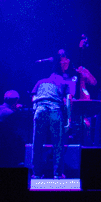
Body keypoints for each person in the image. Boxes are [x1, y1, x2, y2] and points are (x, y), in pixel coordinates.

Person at [30, 50, 75, 178]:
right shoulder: (66, 82)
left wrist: (36, 110)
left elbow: (33, 98)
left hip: (40, 109)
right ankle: (58, 174)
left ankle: (37, 174)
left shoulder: (41, 82)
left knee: (37, 143)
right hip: (55, 109)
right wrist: (69, 120)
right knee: (58, 144)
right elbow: (68, 101)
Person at [0, 90, 27, 169]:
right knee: (22, 138)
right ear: (16, 101)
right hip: (3, 153)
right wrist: (16, 111)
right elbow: (16, 133)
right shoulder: (10, 114)